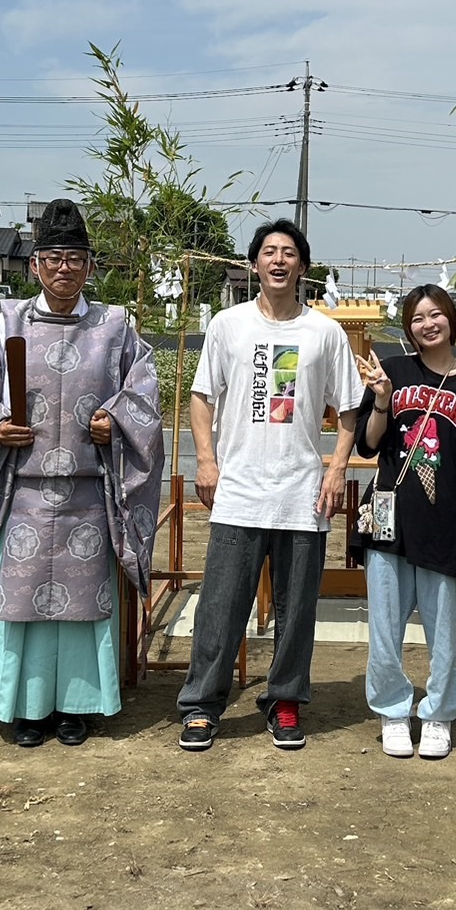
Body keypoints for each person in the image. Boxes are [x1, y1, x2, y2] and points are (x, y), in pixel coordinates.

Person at [0, 199, 164, 748]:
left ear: (90, 266)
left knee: (86, 609)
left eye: (76, 258)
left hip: (90, 492)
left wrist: (118, 421)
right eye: (53, 257)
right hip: (23, 495)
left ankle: (78, 707)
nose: (65, 268)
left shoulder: (116, 328)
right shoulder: (0, 327)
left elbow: (145, 394)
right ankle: (27, 707)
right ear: (35, 264)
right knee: (21, 606)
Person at [177, 219, 364, 751]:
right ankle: (201, 705)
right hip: (239, 488)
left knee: (297, 604)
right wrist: (207, 460)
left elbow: (349, 408)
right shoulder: (228, 325)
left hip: (302, 492)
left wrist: (335, 469)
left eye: (289, 253)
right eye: (268, 252)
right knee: (221, 604)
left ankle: (284, 702)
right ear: (254, 264)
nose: (278, 261)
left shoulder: (323, 332)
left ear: (303, 267)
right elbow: (201, 397)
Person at [352, 285, 456, 759]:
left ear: (452, 320)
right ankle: (394, 711)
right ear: (408, 327)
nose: (427, 324)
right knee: (385, 628)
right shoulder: (393, 372)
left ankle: (437, 714)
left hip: (447, 520)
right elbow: (369, 446)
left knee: (444, 627)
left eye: (436, 315)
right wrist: (381, 401)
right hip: (391, 520)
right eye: (417, 318)